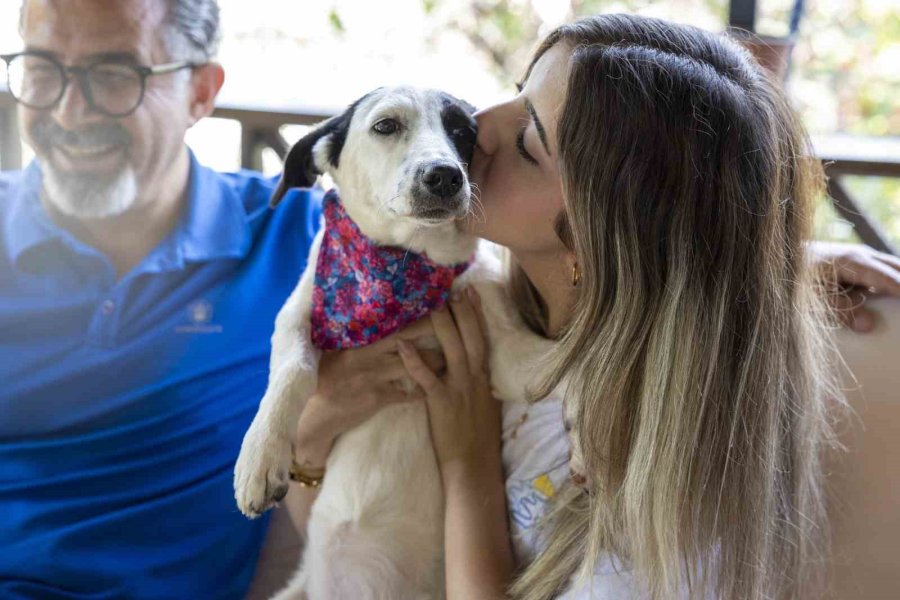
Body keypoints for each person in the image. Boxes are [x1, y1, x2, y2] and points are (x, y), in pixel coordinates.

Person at [0, 2, 894, 599]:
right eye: (39, 68)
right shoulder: (349, 265)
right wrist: (311, 432)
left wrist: (769, 259)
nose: (478, 134)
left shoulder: (315, 243)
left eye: (115, 73)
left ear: (202, 91)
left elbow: (657, 247)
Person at [286, 13, 900, 600]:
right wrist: (313, 433)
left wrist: (467, 463)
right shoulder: (477, 307)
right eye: (515, 93)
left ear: (598, 231)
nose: (478, 124)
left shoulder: (641, 456)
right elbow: (343, 547)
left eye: (528, 141)